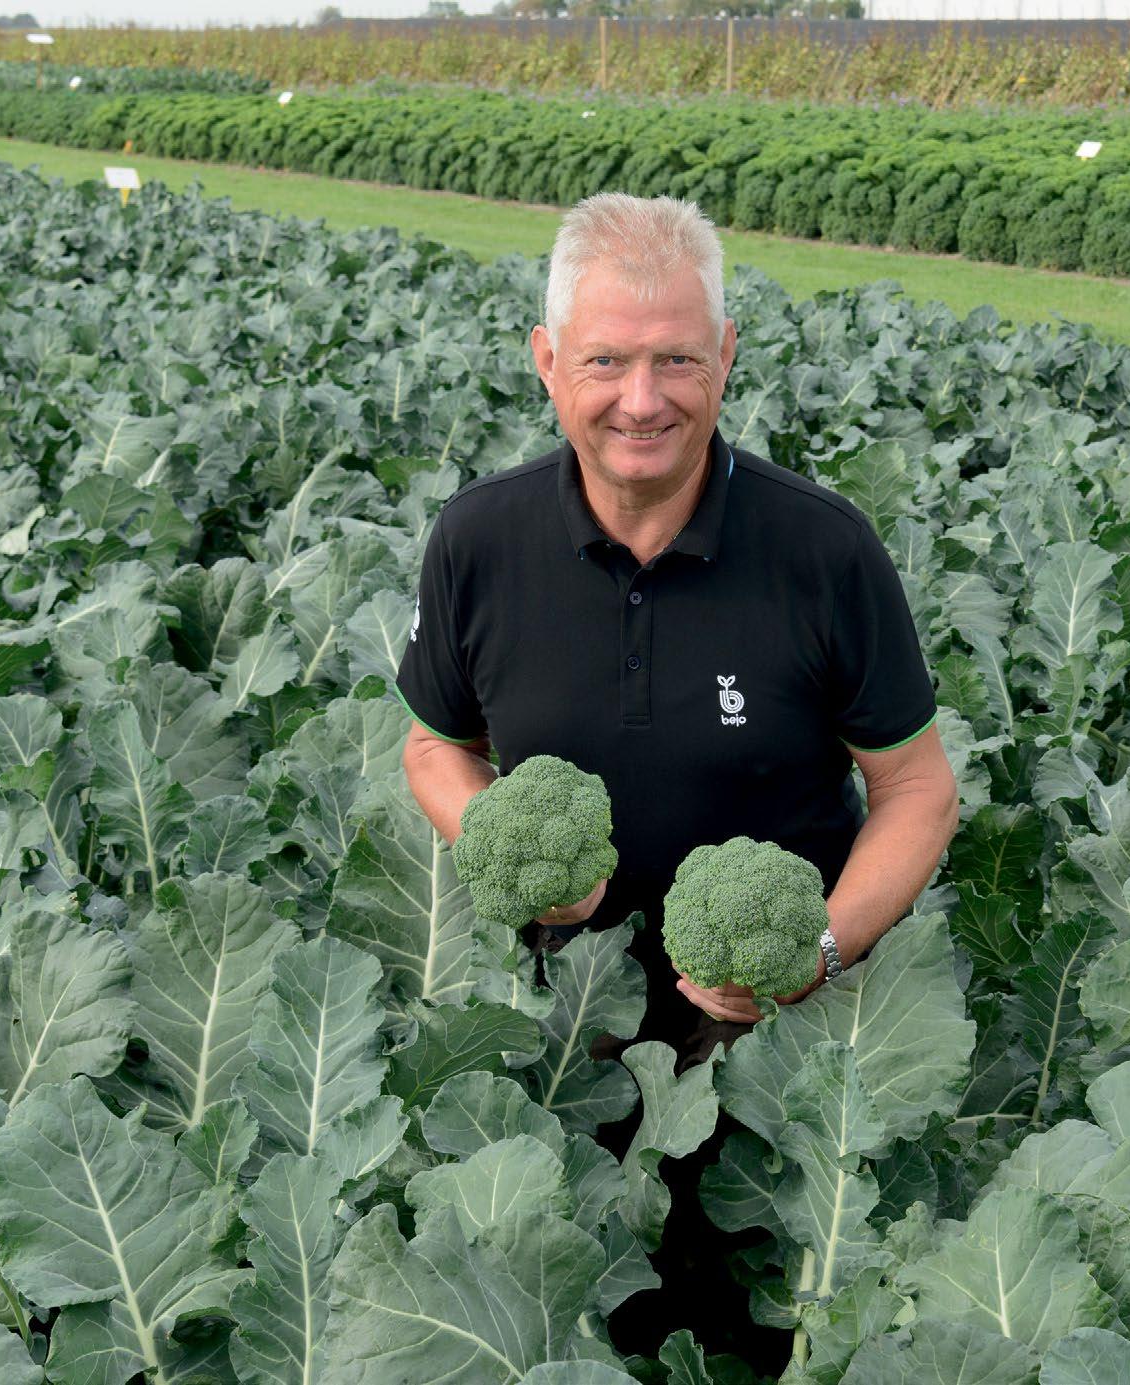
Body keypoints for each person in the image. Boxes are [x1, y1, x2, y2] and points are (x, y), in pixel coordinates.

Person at [395, 191, 960, 1356]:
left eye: (677, 360)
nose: (641, 399)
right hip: (558, 1036)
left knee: (766, 1327)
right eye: (606, 359)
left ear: (727, 358)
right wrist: (496, 838)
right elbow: (433, 743)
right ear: (547, 361)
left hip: (780, 1057)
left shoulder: (822, 549)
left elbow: (917, 788)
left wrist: (816, 950)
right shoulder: (479, 540)